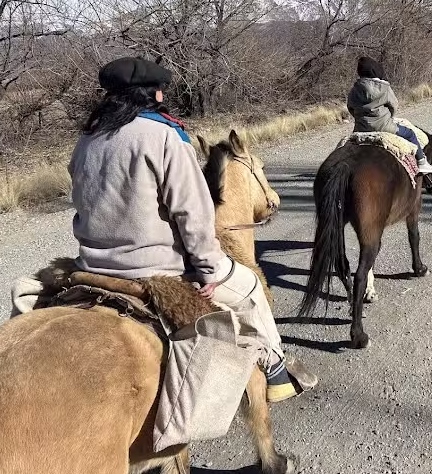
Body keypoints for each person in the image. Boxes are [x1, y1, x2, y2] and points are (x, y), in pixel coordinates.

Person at [26, 57, 317, 403]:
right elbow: (192, 213)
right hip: (155, 270)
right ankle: (275, 371)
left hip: (91, 266)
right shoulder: (165, 137)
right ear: (155, 96)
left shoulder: (88, 140)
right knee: (251, 286)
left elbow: (82, 201)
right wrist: (209, 270)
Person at [347, 56, 432, 174]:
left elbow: (350, 107)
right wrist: (389, 117)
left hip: (361, 128)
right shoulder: (384, 87)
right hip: (385, 126)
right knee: (410, 134)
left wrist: (360, 118)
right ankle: (421, 162)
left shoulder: (355, 89)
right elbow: (394, 105)